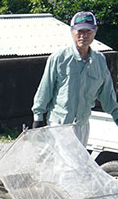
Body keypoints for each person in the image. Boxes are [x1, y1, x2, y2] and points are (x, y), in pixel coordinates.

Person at [31, 11, 118, 145]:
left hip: (82, 127)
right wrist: (38, 118)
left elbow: (108, 95)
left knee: (78, 165)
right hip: (59, 126)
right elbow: (45, 89)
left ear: (95, 32)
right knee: (65, 165)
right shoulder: (59, 58)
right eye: (80, 31)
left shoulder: (99, 60)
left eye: (88, 31)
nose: (84, 35)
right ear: (72, 31)